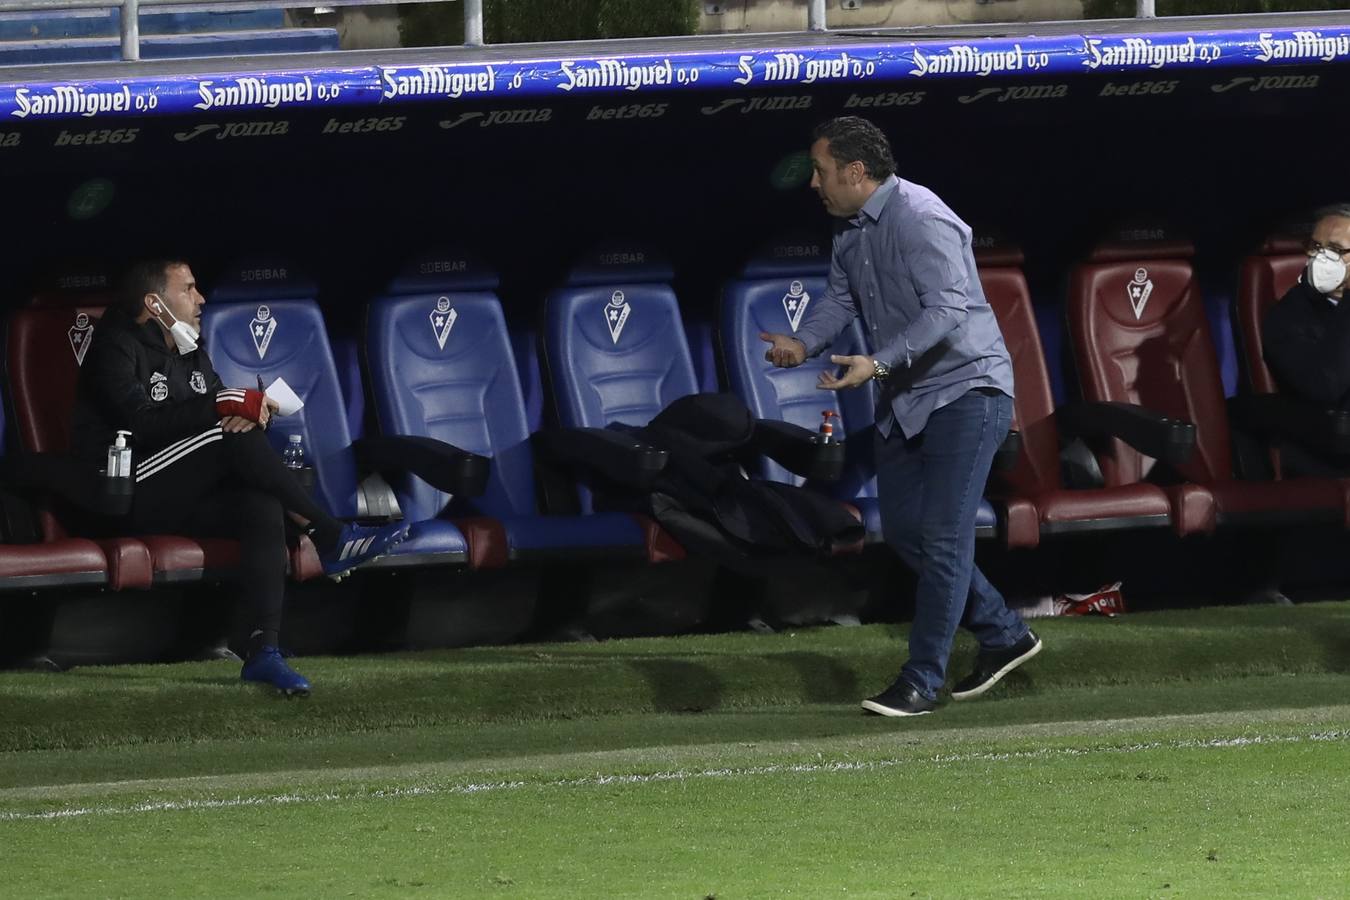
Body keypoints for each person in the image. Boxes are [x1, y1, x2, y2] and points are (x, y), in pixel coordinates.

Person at [760, 116, 1040, 717]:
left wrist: (878, 364)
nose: (814, 184)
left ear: (856, 172)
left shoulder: (922, 216)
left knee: (943, 538)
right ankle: (1005, 633)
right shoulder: (851, 231)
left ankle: (922, 680)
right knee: (910, 533)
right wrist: (801, 345)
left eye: (822, 171)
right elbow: (838, 300)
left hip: (967, 392)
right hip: (905, 399)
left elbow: (947, 311)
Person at [71, 259, 409, 695]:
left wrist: (252, 416)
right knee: (224, 431)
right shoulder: (113, 344)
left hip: (181, 493)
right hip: (127, 486)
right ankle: (328, 534)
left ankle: (263, 650)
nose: (201, 298)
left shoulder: (190, 349)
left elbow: (224, 414)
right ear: (155, 303)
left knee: (260, 504)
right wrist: (225, 407)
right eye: (189, 289)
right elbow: (142, 422)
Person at [1261, 203, 1350, 477]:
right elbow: (1325, 385)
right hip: (1326, 455)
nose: (1322, 257)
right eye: (1315, 246)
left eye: (1335, 250)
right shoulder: (1288, 317)